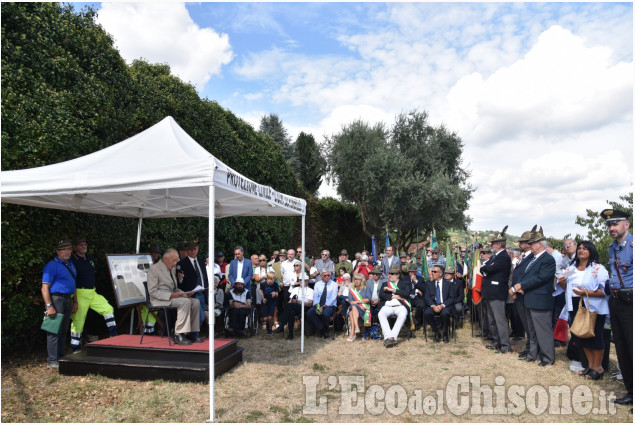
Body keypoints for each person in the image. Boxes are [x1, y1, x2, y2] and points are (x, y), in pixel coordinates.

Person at [510, 226, 556, 366]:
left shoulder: (547, 259)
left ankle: (547, 358)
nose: (529, 245)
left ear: (540, 244)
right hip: (529, 299)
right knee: (532, 331)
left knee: (543, 331)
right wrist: (523, 287)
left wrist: (521, 286)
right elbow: (527, 275)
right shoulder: (533, 259)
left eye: (532, 243)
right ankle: (533, 354)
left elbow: (541, 278)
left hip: (540, 301)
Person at [563, 241, 609, 380]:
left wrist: (586, 293)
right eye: (580, 248)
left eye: (585, 248)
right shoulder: (572, 267)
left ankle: (598, 367)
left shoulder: (597, 268)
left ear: (591, 251)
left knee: (595, 336)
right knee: (580, 336)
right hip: (575, 305)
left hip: (592, 306)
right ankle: (590, 365)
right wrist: (561, 281)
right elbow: (565, 285)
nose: (581, 250)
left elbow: (604, 291)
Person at [601, 208, 633, 405]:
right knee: (621, 349)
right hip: (616, 300)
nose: (612, 228)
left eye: (615, 223)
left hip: (631, 302)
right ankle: (630, 391)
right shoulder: (612, 248)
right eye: (609, 225)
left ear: (626, 224)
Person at [69, 236, 117, 353]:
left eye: (85, 244)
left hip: (92, 292)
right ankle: (76, 349)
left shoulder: (90, 258)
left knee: (108, 309)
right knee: (78, 321)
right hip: (79, 292)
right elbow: (71, 279)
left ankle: (114, 337)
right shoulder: (72, 260)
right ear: (75, 247)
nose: (83, 246)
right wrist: (74, 300)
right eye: (80, 244)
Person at [147, 249, 201, 345]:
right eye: (174, 260)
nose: (176, 263)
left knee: (195, 302)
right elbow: (153, 292)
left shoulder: (171, 269)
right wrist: (171, 295)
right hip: (159, 300)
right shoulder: (154, 269)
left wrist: (184, 293)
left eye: (177, 260)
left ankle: (191, 334)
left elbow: (174, 288)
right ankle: (178, 333)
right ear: (166, 259)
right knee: (185, 302)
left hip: (172, 297)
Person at [41, 238, 78, 369]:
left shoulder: (71, 264)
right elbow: (44, 287)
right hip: (56, 299)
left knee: (63, 330)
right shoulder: (52, 265)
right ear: (57, 251)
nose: (66, 252)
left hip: (68, 299)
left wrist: (75, 301)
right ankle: (52, 360)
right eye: (63, 249)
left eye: (68, 249)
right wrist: (49, 306)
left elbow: (74, 284)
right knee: (53, 330)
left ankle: (60, 356)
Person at [480, 227, 513, 353]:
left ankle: (505, 345)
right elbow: (487, 267)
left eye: (493, 243)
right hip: (490, 293)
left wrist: (486, 267)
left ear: (499, 244)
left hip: (497, 293)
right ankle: (496, 342)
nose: (491, 245)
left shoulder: (503, 256)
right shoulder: (495, 257)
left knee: (500, 321)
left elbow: (488, 269)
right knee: (492, 320)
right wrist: (486, 267)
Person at [177, 238, 209, 339]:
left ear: (198, 249)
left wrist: (207, 294)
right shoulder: (182, 263)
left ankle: (193, 335)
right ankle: (193, 335)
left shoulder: (200, 261)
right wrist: (180, 279)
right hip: (192, 294)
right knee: (199, 316)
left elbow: (204, 277)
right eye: (190, 249)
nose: (192, 251)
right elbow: (179, 283)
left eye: (194, 249)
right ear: (187, 250)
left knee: (201, 317)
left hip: (202, 292)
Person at [378, 264, 411, 347]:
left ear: (398, 275)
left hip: (400, 306)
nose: (390, 275)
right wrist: (393, 296)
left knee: (403, 314)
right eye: (389, 273)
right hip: (388, 305)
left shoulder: (405, 283)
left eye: (392, 274)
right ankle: (390, 337)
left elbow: (406, 294)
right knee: (381, 314)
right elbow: (381, 295)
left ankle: (391, 337)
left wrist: (392, 290)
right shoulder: (385, 284)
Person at [424, 265, 459, 343]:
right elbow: (426, 297)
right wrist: (433, 306)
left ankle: (445, 333)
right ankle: (436, 332)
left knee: (445, 313)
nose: (432, 273)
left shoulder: (449, 284)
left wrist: (442, 305)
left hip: (445, 305)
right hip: (434, 305)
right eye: (432, 271)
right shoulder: (429, 284)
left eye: (435, 271)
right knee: (427, 312)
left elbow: (452, 298)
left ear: (441, 274)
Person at [273, 274, 314, 340]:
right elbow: (290, 301)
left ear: (307, 281)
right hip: (295, 306)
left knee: (290, 306)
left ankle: (282, 325)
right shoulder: (295, 289)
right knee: (291, 312)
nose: (301, 282)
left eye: (303, 280)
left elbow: (309, 303)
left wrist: (298, 301)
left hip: (305, 308)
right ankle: (290, 334)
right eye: (300, 280)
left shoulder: (310, 290)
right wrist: (293, 300)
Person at [307, 270, 338, 338]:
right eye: (325, 275)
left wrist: (323, 307)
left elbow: (333, 298)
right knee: (310, 313)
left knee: (325, 314)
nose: (327, 277)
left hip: (330, 305)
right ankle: (322, 329)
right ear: (321, 277)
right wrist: (317, 307)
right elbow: (315, 296)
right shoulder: (317, 284)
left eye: (328, 275)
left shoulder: (334, 284)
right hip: (319, 304)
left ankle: (326, 331)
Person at [347, 273, 371, 341]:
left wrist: (357, 302)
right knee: (353, 309)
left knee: (352, 312)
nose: (356, 281)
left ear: (362, 280)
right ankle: (356, 328)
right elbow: (350, 301)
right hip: (355, 309)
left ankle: (352, 333)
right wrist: (358, 304)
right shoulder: (352, 290)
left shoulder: (367, 289)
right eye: (355, 279)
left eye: (358, 279)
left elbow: (368, 299)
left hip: (364, 310)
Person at [260, 272, 279, 336]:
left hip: (272, 302)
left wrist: (274, 293)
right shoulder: (263, 284)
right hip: (265, 302)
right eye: (268, 279)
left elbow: (277, 294)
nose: (269, 281)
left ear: (274, 279)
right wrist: (263, 298)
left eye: (271, 279)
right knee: (266, 318)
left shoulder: (275, 284)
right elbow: (262, 292)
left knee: (270, 317)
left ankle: (270, 330)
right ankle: (268, 325)